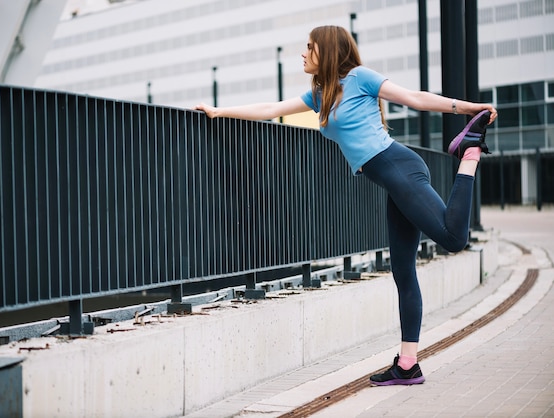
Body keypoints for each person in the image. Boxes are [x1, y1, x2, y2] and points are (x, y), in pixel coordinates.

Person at [195, 25, 497, 386]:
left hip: (401, 168)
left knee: (453, 238)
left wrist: (468, 109)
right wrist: (219, 111)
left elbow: (413, 98)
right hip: (392, 181)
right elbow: (271, 108)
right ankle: (407, 364)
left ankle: (470, 154)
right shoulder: (320, 93)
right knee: (403, 271)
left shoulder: (359, 78)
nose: (303, 54)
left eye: (309, 47)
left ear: (327, 49)